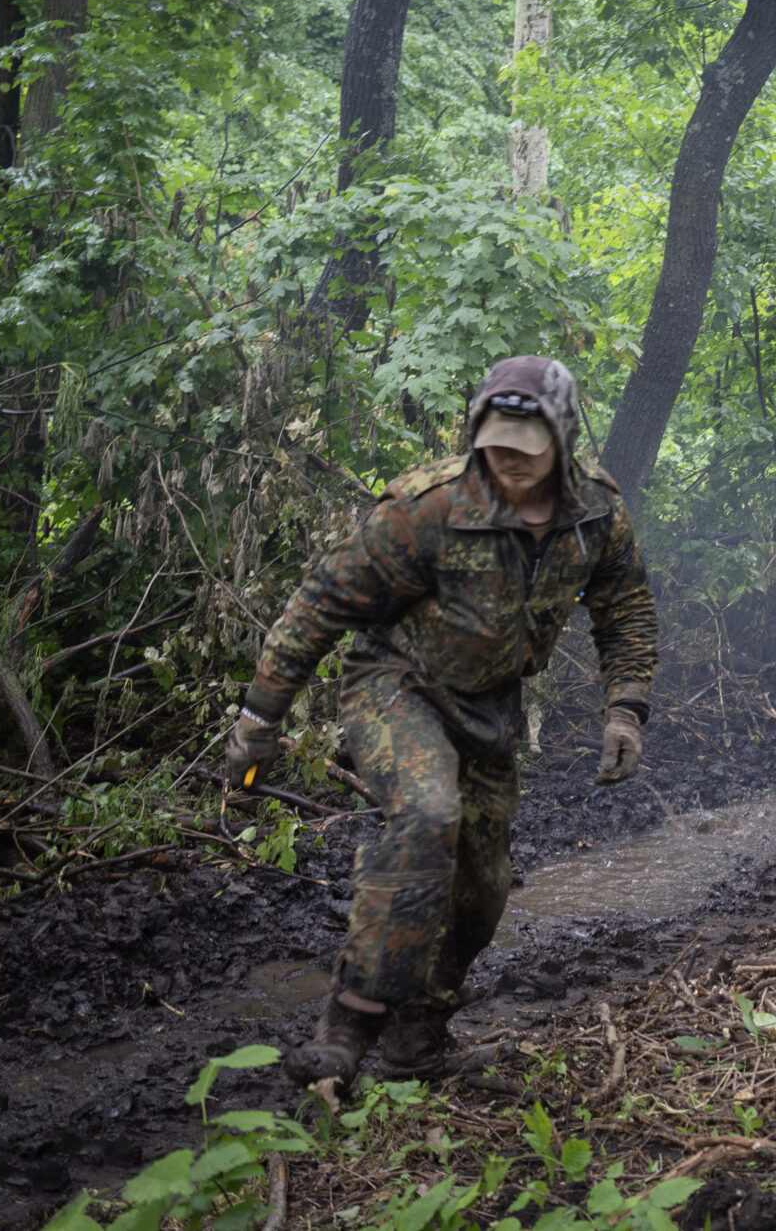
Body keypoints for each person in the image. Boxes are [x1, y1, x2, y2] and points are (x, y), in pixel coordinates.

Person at [223, 355, 660, 1085]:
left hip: (491, 706)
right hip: (398, 686)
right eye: (496, 441)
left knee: (481, 885)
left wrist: (626, 710)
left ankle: (415, 1042)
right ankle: (350, 1015)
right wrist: (259, 718)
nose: (510, 460)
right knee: (428, 816)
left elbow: (626, 609)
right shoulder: (429, 508)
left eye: (527, 445)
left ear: (563, 436)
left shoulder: (596, 514)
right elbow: (322, 600)